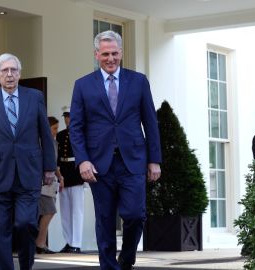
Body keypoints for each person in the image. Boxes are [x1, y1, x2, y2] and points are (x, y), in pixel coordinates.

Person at [69, 30, 162, 270]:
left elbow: (150, 122)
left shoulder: (139, 81)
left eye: (115, 53)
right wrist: (82, 161)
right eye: (105, 54)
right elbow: (76, 128)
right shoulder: (82, 85)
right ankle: (108, 266)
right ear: (96, 54)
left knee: (134, 215)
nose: (110, 58)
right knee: (105, 220)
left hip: (133, 161)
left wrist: (155, 160)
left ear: (121, 53)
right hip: (99, 165)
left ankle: (127, 258)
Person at [0, 53, 56, 270]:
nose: (10, 75)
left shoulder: (34, 97)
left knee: (26, 223)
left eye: (14, 70)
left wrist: (49, 167)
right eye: (5, 71)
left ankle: (26, 264)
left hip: (29, 173)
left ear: (19, 73)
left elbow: (45, 135)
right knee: (0, 231)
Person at [57, 111, 85, 254]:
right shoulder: (60, 135)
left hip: (76, 173)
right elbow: (58, 156)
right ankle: (68, 242)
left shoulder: (81, 133)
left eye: (69, 117)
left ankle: (76, 243)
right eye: (66, 118)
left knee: (77, 211)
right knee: (65, 211)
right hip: (64, 173)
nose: (67, 120)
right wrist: (59, 175)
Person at [36, 117, 64, 254]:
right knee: (49, 211)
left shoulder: (54, 142)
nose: (56, 131)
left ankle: (41, 243)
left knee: (47, 211)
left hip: (51, 182)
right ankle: (40, 243)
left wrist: (60, 177)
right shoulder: (42, 142)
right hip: (43, 182)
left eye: (57, 128)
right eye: (54, 128)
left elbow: (54, 163)